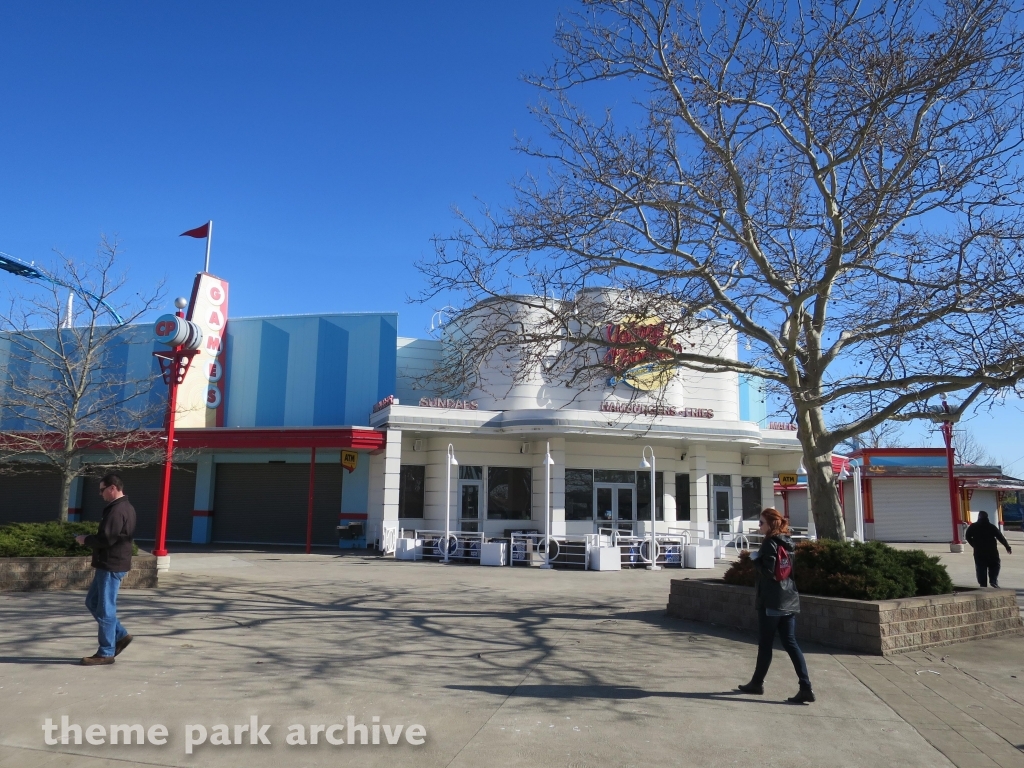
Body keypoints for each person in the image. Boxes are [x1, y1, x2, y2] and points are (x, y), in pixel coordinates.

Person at [737, 507, 814, 704]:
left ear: (771, 523)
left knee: (765, 644)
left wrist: (755, 560)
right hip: (788, 598)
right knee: (790, 642)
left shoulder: (770, 543)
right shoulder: (788, 542)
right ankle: (805, 687)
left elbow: (770, 572)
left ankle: (757, 683)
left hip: (772, 601)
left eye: (761, 522)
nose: (759, 526)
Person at [74, 472, 136, 666]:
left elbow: (107, 539)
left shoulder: (117, 510)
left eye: (102, 490)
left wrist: (85, 540)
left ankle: (106, 651)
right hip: (108, 564)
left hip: (111, 565)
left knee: (105, 609)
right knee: (92, 602)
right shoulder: (121, 507)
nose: (100, 494)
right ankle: (120, 635)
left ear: (112, 488)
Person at [965, 510, 1012, 588]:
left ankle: (983, 584)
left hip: (979, 551)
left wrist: (974, 544)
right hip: (991, 550)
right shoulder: (991, 527)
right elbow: (1000, 537)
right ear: (987, 517)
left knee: (980, 568)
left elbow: (967, 536)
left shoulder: (973, 527)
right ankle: (993, 580)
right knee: (995, 565)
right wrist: (1007, 547)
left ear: (979, 517)